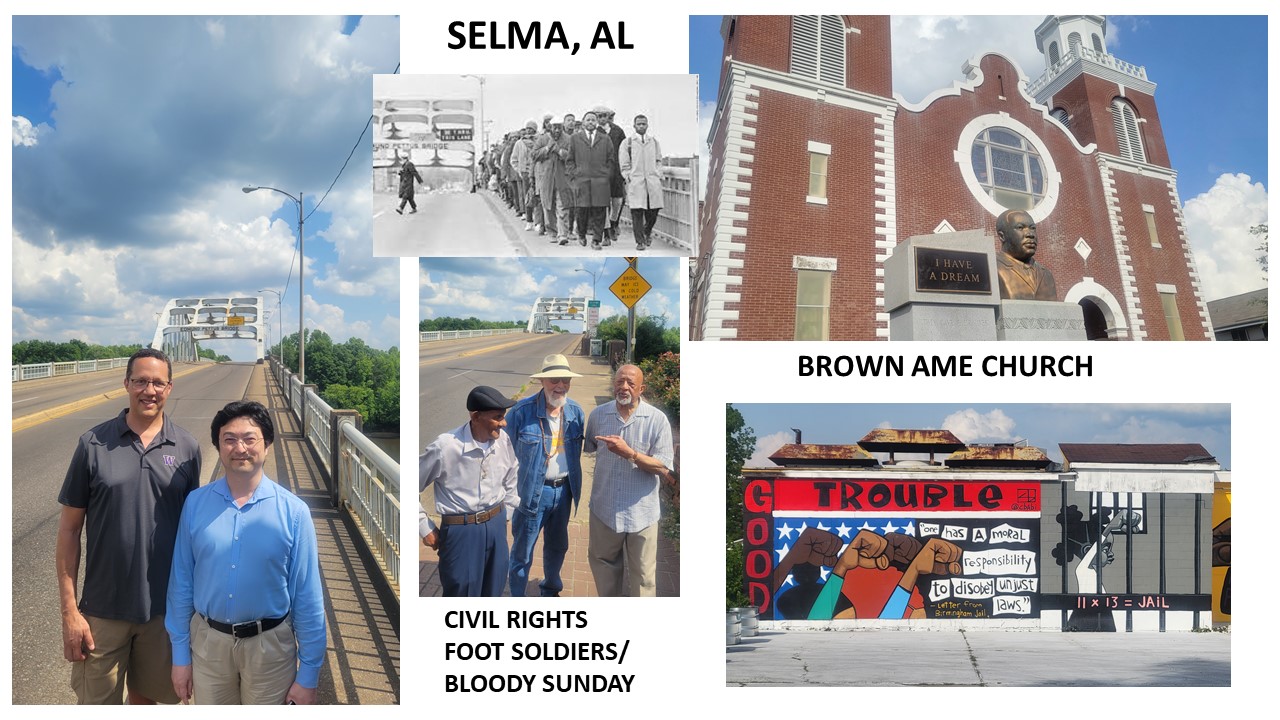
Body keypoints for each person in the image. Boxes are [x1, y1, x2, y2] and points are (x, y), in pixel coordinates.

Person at [57, 348, 202, 705]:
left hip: (164, 612)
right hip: (102, 612)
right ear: (126, 384)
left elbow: (193, 534)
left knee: (151, 702)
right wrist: (70, 612)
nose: (148, 390)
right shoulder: (93, 444)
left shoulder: (187, 448)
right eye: (140, 381)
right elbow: (69, 530)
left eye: (157, 382)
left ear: (169, 388)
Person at [166, 401, 325, 705]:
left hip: (270, 648)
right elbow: (181, 583)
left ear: (266, 446)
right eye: (229, 439)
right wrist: (179, 656)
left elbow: (307, 597)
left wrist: (309, 675)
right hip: (209, 646)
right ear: (219, 446)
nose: (240, 448)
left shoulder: (294, 512)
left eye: (250, 439)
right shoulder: (196, 504)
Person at [419, 386, 519, 597]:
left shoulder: (503, 440)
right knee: (461, 593)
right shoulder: (446, 447)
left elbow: (512, 474)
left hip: (496, 525)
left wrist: (507, 512)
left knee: (494, 589)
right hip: (461, 531)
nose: (504, 423)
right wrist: (423, 526)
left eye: (504, 416)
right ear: (475, 416)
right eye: (498, 417)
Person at [584, 364, 674, 596]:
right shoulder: (598, 415)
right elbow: (589, 448)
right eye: (620, 381)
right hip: (604, 509)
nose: (624, 387)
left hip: (641, 513)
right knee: (604, 569)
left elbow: (663, 465)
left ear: (641, 388)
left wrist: (631, 454)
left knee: (643, 579)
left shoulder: (657, 420)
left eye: (631, 384)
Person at [506, 355, 585, 597]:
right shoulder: (521, 412)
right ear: (542, 381)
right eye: (553, 380)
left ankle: (550, 589)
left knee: (558, 547)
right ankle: (517, 596)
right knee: (523, 551)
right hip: (531, 493)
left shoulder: (576, 412)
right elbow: (503, 455)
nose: (560, 385)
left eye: (565, 380)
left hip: (564, 492)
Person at [567, 110, 618, 250]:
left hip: (600, 181)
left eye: (593, 120)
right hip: (581, 180)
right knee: (582, 210)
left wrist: (607, 175)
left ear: (597, 123)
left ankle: (596, 240)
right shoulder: (575, 139)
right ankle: (581, 233)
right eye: (588, 120)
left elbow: (611, 160)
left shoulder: (605, 139)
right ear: (583, 122)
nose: (590, 122)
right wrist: (575, 175)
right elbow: (570, 160)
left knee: (600, 211)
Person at [619, 114, 664, 251]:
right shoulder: (628, 143)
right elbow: (624, 164)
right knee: (637, 212)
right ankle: (640, 241)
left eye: (644, 124)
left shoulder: (654, 142)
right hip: (636, 181)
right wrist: (628, 177)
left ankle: (647, 231)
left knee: (653, 210)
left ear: (647, 125)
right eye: (639, 124)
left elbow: (659, 160)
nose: (641, 126)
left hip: (652, 181)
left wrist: (658, 173)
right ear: (634, 126)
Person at [995, 209, 1057, 300]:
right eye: (1020, 227)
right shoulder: (992, 268)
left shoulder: (1046, 274)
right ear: (1002, 236)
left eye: (1033, 228)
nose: (1030, 234)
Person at [597, 106, 628, 245]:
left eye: (604, 115)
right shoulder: (593, 132)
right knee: (603, 204)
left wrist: (626, 170)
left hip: (616, 172)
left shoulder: (618, 131)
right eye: (598, 116)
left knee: (617, 202)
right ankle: (606, 235)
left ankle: (614, 223)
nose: (602, 118)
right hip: (600, 173)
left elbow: (626, 151)